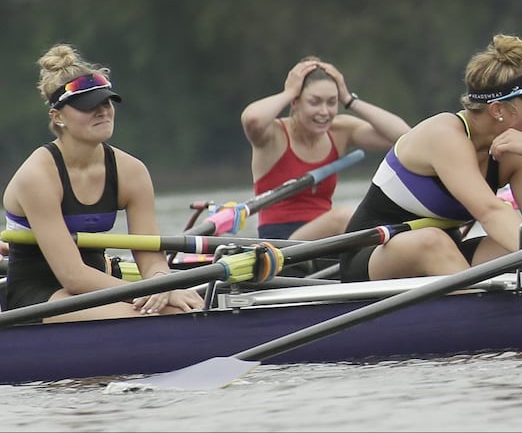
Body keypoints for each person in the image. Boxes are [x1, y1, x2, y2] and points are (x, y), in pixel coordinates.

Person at [340, 34, 522, 282]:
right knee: (434, 242)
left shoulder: (515, 150)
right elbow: (490, 212)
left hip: (447, 257)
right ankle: (479, 314)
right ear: (497, 109)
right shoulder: (444, 135)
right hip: (373, 257)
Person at [2, 43, 204, 320]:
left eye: (106, 102)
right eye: (88, 106)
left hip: (97, 284)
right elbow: (72, 276)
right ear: (57, 117)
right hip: (38, 294)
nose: (102, 112)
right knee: (149, 315)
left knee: (184, 308)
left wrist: (161, 285)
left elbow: (150, 255)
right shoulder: (37, 176)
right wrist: (148, 291)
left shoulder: (132, 171)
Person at [241, 56, 411, 242]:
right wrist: (289, 92)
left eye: (332, 102)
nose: (324, 112)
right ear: (295, 103)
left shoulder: (339, 131)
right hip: (280, 244)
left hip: (327, 239)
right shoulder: (273, 135)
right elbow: (253, 119)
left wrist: (349, 100)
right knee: (343, 218)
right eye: (314, 102)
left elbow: (404, 136)